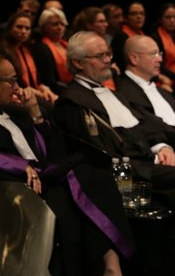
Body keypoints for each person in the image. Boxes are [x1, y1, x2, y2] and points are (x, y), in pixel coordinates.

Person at [0, 54, 133, 276]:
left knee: (97, 179)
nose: (17, 87)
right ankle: (103, 275)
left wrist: (35, 113)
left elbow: (53, 152)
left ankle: (111, 269)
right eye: (11, 80)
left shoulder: (15, 111)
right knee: (87, 185)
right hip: (14, 186)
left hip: (44, 174)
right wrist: (19, 165)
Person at [52, 31, 175, 209]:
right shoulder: (73, 102)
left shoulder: (113, 94)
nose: (107, 60)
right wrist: (154, 161)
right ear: (78, 63)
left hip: (146, 164)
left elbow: (144, 125)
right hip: (124, 176)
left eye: (108, 54)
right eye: (99, 56)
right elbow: (100, 156)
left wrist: (162, 147)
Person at [32, 7, 72, 95]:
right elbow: (49, 81)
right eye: (55, 24)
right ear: (44, 27)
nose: (60, 27)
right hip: (58, 91)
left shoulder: (67, 44)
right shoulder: (41, 48)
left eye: (62, 24)